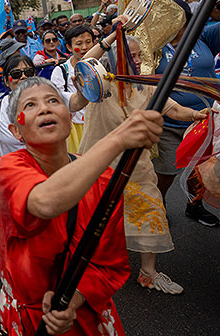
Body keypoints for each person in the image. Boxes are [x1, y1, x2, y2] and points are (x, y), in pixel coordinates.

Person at [0, 76, 163, 335]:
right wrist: (118, 138)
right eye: (30, 105)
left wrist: (73, 300)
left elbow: (109, 262)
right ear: (16, 130)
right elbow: (45, 202)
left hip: (85, 312)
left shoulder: (105, 178)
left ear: (69, 116)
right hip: (31, 320)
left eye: (53, 101)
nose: (44, 108)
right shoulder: (9, 168)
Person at [77, 28, 210, 295]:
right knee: (97, 221)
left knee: (152, 212)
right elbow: (82, 66)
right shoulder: (99, 84)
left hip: (137, 166)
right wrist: (112, 36)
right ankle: (90, 272)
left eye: (139, 55)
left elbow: (172, 108)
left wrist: (196, 114)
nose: (137, 61)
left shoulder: (146, 84)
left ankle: (148, 274)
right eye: (131, 55)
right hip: (99, 166)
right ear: (115, 59)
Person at [153, 0, 220, 226]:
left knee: (199, 167)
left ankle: (194, 205)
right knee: (166, 171)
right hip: (169, 121)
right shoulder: (153, 45)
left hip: (205, 118)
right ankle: (158, 205)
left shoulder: (204, 37)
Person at [50, 25, 95, 153]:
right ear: (69, 47)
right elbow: (57, 101)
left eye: (88, 42)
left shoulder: (101, 66)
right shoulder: (61, 71)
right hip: (75, 127)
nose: (85, 48)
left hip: (98, 123)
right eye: (79, 44)